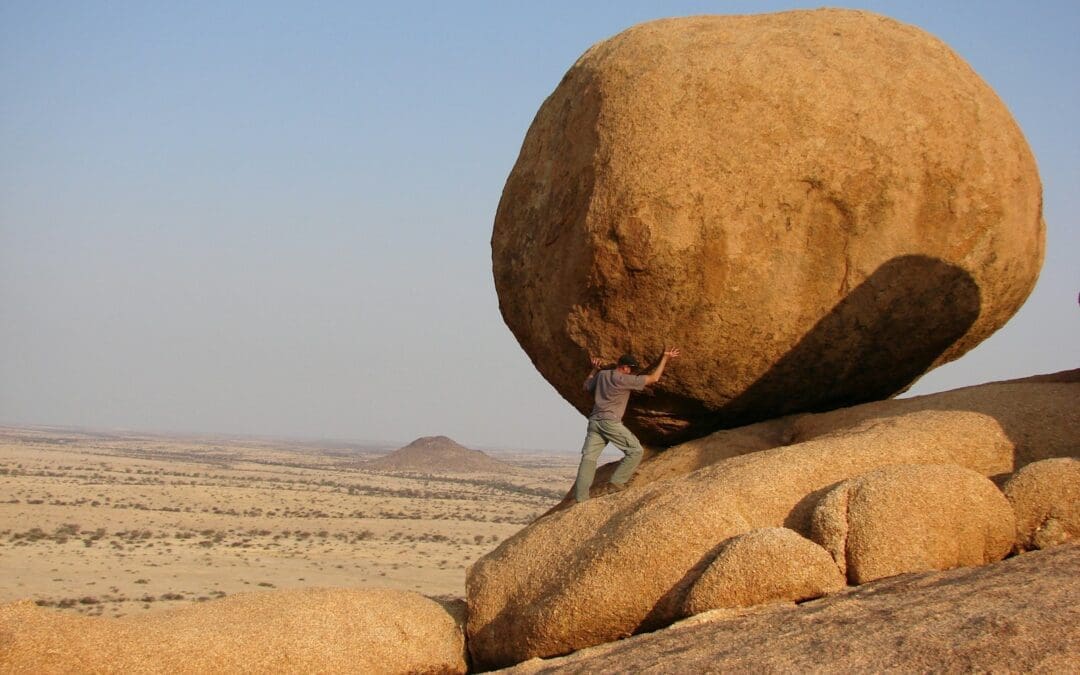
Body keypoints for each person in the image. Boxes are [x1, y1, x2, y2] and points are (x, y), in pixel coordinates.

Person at [573, 347, 681, 503]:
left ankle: (581, 498)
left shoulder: (602, 375)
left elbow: (586, 386)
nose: (631, 372)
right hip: (610, 422)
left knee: (588, 459)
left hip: (595, 422)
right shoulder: (623, 380)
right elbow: (654, 378)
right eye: (630, 369)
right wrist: (665, 358)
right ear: (624, 367)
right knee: (635, 451)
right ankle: (617, 482)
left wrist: (594, 370)